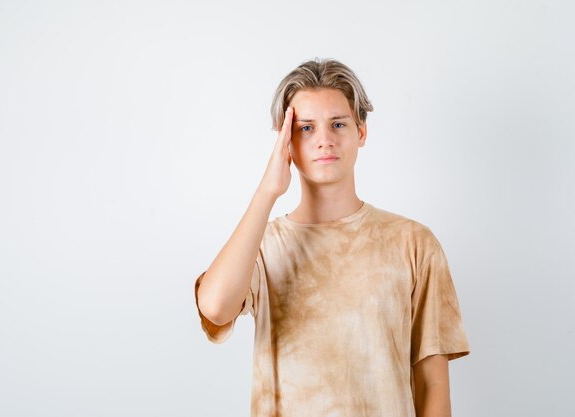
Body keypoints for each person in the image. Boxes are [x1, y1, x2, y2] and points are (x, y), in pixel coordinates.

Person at [193, 58, 471, 417]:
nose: (324, 140)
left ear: (361, 132)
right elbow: (214, 307)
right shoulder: (262, 245)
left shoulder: (413, 244)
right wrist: (267, 191)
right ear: (285, 141)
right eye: (306, 128)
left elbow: (432, 385)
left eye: (338, 124)